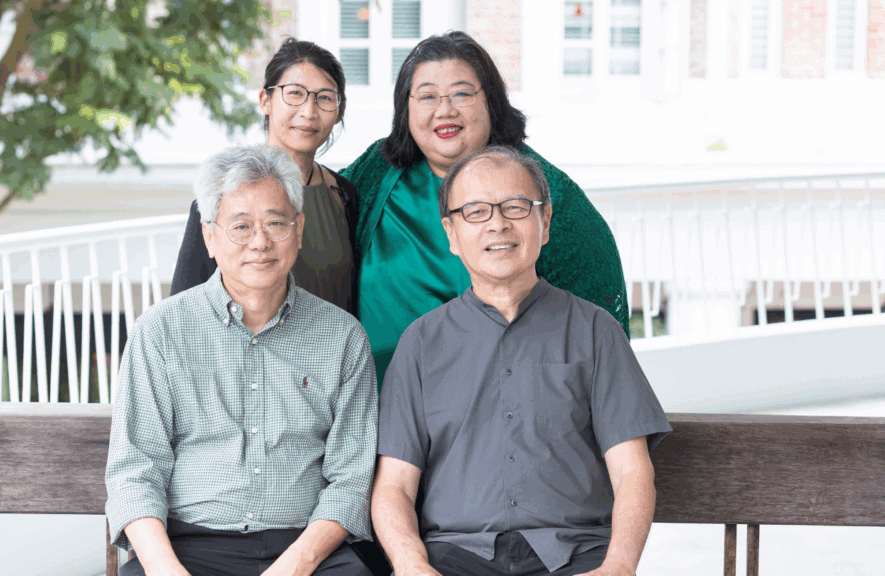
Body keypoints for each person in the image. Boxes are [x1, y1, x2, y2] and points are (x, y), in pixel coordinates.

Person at [371, 146, 671, 576]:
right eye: (475, 211)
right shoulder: (420, 343)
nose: (497, 223)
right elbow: (395, 485)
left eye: (515, 207)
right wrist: (409, 563)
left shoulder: (595, 330)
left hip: (576, 556)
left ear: (544, 223)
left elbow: (631, 472)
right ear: (452, 235)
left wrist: (618, 567)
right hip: (454, 558)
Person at [106, 145, 378, 576]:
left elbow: (351, 479)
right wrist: (165, 568)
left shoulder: (342, 337)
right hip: (186, 545)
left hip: (305, 548)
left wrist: (297, 564)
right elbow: (134, 473)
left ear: (299, 229)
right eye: (241, 226)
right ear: (210, 235)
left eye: (275, 222)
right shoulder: (159, 331)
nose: (260, 242)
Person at [341, 31, 629, 385]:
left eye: (461, 93)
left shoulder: (549, 195)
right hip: (376, 411)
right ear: (406, 108)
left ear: (491, 102)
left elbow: (598, 329)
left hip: (499, 416)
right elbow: (306, 218)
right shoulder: (373, 174)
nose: (444, 110)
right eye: (427, 96)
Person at [171, 38, 359, 314]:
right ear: (265, 100)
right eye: (295, 93)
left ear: (339, 110)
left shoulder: (343, 193)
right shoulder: (226, 190)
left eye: (325, 98)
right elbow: (184, 304)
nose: (309, 112)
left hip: (333, 353)